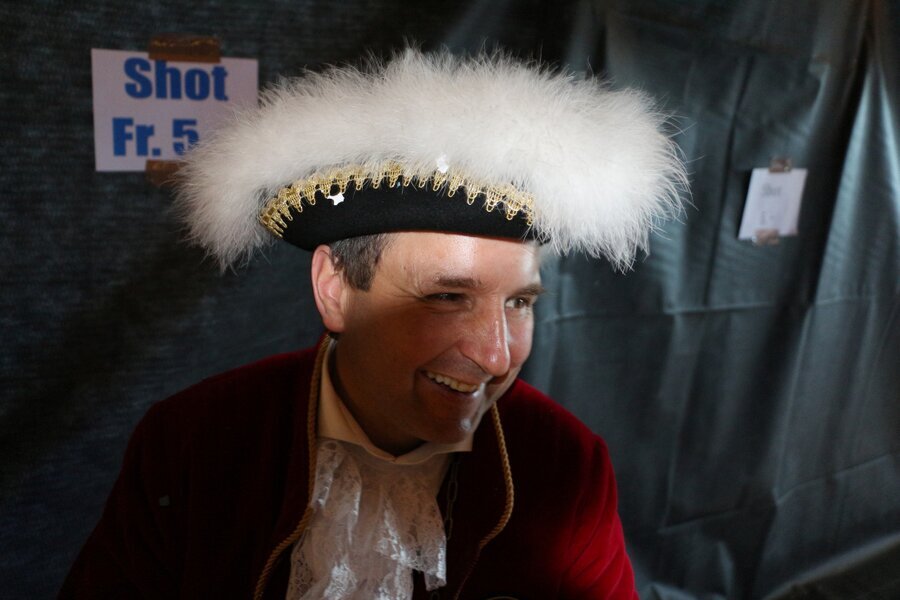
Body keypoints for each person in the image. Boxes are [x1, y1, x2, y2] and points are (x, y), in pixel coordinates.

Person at [61, 48, 685, 599]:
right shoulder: (193, 440)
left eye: (519, 303)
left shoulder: (565, 464)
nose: (497, 357)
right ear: (335, 289)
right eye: (447, 296)